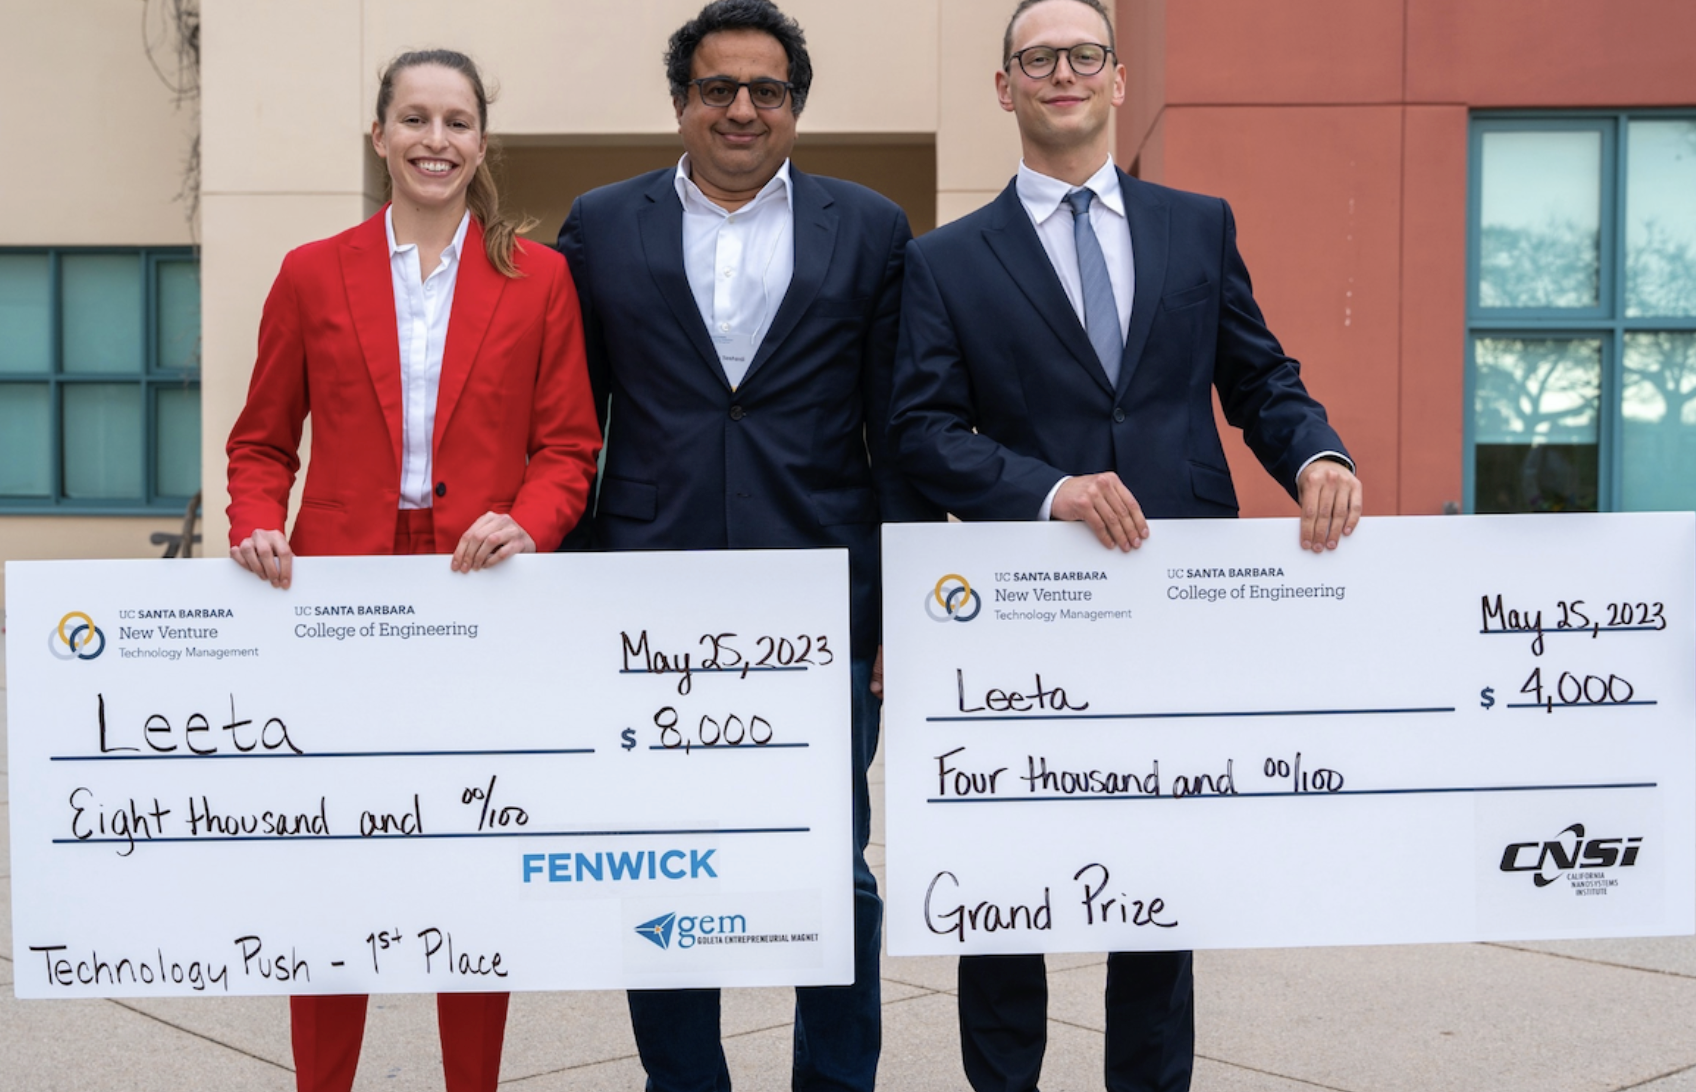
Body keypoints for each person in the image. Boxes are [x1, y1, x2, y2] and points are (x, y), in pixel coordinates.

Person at [888, 1, 1363, 1089]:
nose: (1063, 71)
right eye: (1037, 58)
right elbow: (918, 432)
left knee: (1160, 882)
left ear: (1114, 78)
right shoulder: (946, 261)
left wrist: (1317, 458)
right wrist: (1047, 490)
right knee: (1006, 883)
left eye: (1083, 54)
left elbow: (1258, 378)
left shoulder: (1196, 224)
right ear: (1004, 87)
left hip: (1178, 602)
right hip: (1021, 613)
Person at [556, 1, 941, 1088]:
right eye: (718, 87)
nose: (741, 108)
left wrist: (902, 608)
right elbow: (569, 420)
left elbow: (897, 432)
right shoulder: (598, 223)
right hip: (647, 596)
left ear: (795, 106)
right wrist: (565, 595)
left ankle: (834, 1080)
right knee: (665, 867)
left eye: (766, 90)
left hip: (824, 597)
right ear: (681, 102)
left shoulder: (869, 227)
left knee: (835, 876)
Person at [225, 48, 600, 1092]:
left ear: (482, 142)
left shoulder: (541, 281)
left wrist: (526, 522)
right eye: (416, 119)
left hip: (478, 601)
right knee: (334, 868)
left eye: (457, 122)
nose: (437, 141)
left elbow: (568, 446)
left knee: (470, 864)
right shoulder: (312, 271)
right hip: (335, 598)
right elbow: (262, 442)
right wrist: (257, 522)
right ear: (379, 135)